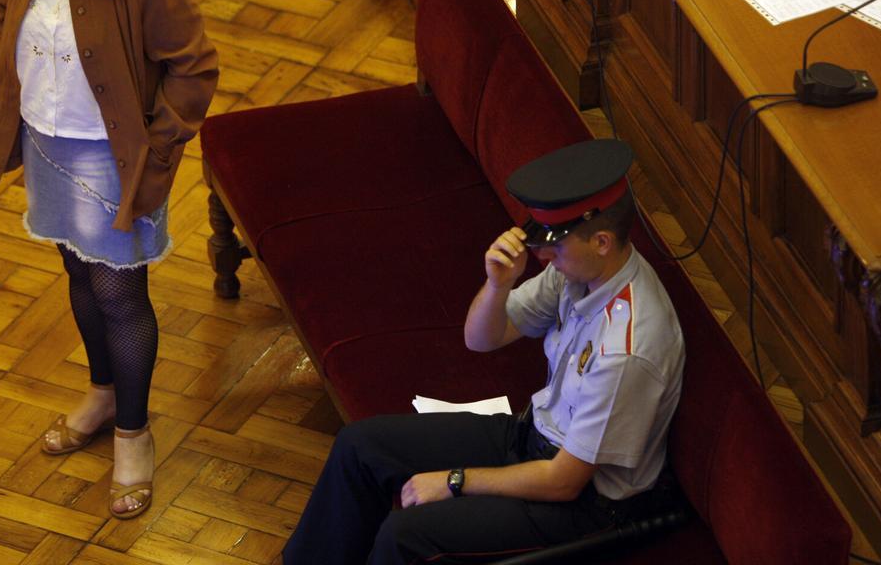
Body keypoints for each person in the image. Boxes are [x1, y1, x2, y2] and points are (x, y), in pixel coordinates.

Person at [0, 0, 219, 520]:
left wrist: (159, 150)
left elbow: (194, 67)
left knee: (120, 294)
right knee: (77, 270)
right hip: (47, 138)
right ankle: (104, 395)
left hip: (113, 154)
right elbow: (1, 4)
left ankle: (135, 435)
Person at [282, 139, 685, 564]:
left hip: (582, 503)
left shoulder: (627, 349)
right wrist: (498, 284)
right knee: (359, 447)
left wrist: (455, 481)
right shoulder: (577, 272)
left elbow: (563, 482)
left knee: (406, 535)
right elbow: (482, 339)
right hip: (532, 439)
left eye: (554, 245)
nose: (544, 256)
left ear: (602, 241)